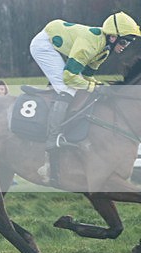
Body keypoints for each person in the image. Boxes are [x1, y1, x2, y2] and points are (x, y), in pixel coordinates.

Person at [30, 11, 141, 151]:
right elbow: (69, 77)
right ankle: (52, 137)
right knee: (67, 88)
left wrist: (97, 85)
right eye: (125, 41)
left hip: (56, 42)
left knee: (81, 86)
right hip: (44, 45)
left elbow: (86, 75)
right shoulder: (90, 45)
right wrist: (92, 87)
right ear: (113, 37)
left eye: (129, 42)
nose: (126, 45)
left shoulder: (105, 50)